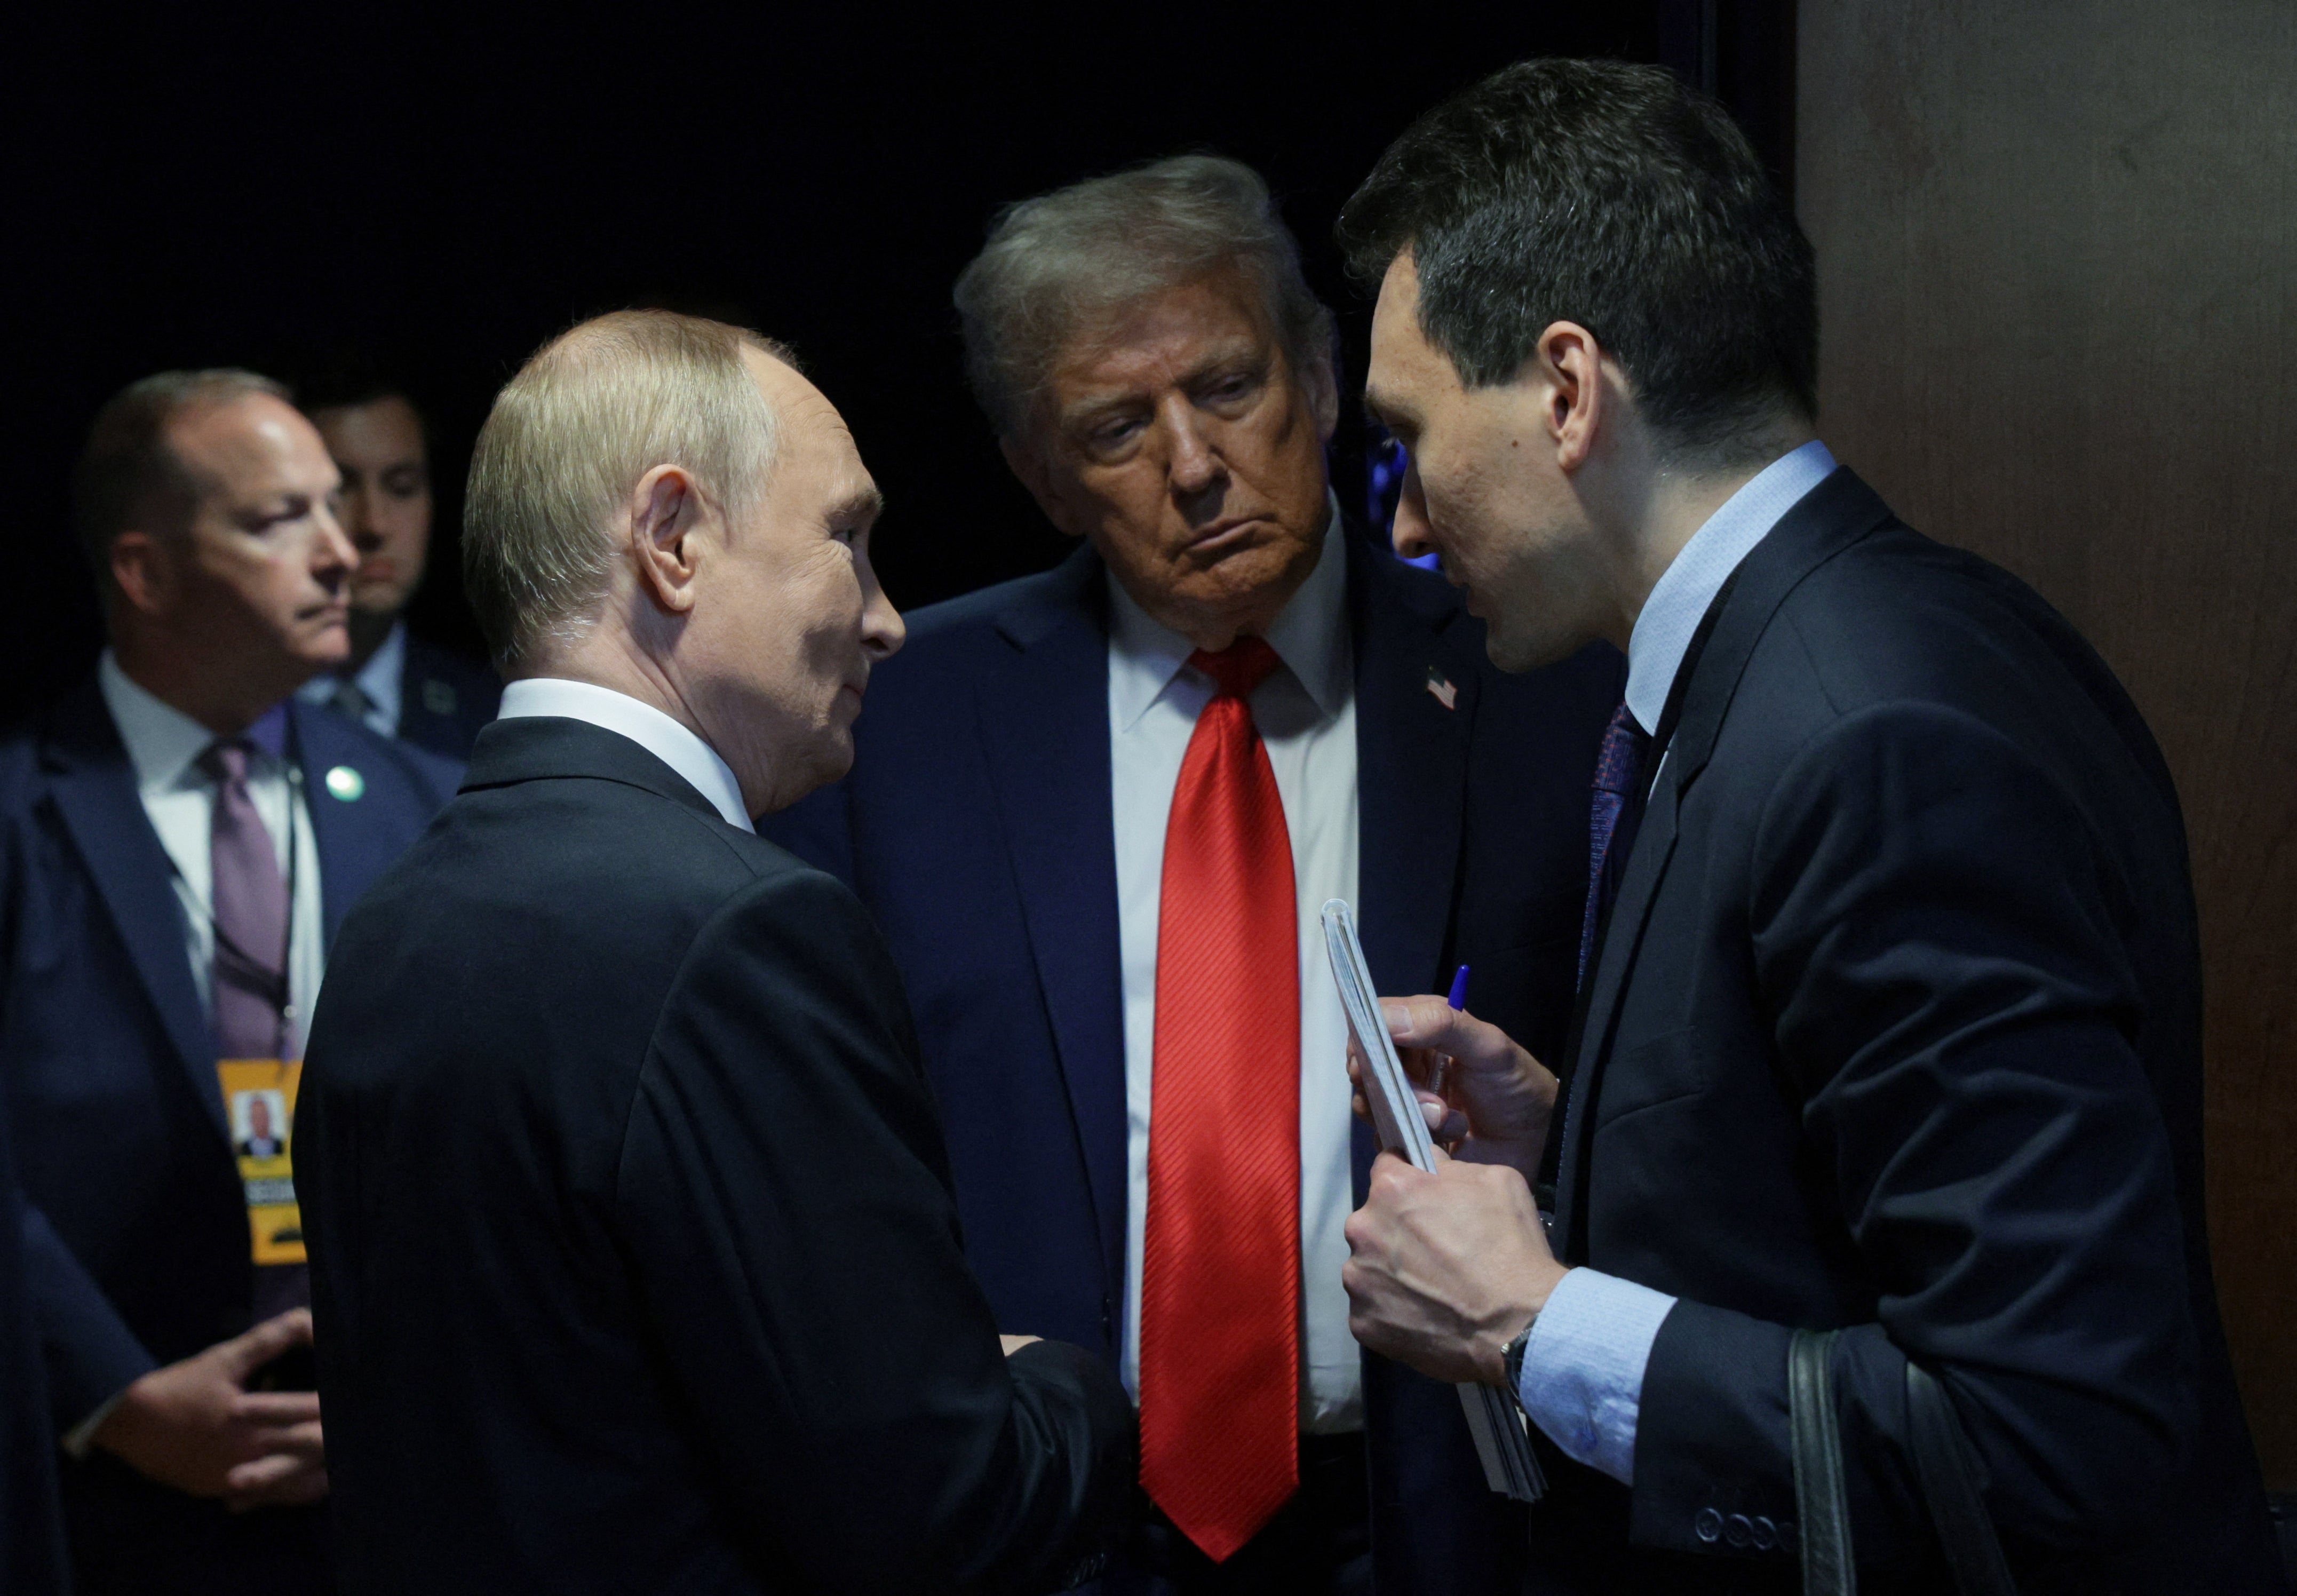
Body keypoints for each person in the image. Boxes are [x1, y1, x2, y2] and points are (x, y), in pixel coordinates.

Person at [1329, 59, 2283, 1593]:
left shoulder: (1870, 725)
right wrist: (1577, 1154)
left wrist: (1535, 1320)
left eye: (1408, 438)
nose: (1406, 524)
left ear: (1567, 392)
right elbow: (1843, 1222)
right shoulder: (1814, 659)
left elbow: (2052, 1431)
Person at [761, 157, 1618, 1594]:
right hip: (1049, 1526)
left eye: (1228, 386)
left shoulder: (1541, 676)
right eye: (1114, 426)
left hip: (1446, 1512)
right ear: (1038, 475)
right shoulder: (901, 721)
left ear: (1325, 379)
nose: (1194, 463)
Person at [296, 309, 1138, 1594]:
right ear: (673, 538)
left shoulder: (393, 918)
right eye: (847, 540)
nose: (887, 619)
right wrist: (1067, 1385)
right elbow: (946, 1510)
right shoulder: (741, 929)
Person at [0, 369, 460, 1594]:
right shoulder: (19, 815)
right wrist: (114, 1396)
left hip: (397, 1486)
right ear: (143, 572)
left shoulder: (432, 805)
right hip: (104, 1497)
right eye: (277, 521)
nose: (341, 549)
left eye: (337, 506)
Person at [296, 374, 501, 759]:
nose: (374, 524)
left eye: (401, 487)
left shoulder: (493, 719)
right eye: (339, 490)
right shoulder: (230, 706)